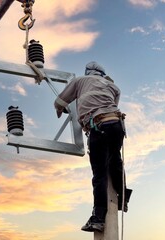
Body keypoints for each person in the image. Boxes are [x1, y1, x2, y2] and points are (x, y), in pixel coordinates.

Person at [54, 61, 132, 232]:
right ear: (102, 74)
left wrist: (61, 109)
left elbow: (60, 101)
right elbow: (112, 105)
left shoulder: (79, 81)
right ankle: (123, 198)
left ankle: (98, 219)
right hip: (116, 124)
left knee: (100, 174)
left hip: (98, 128)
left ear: (87, 72)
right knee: (115, 161)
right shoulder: (113, 86)